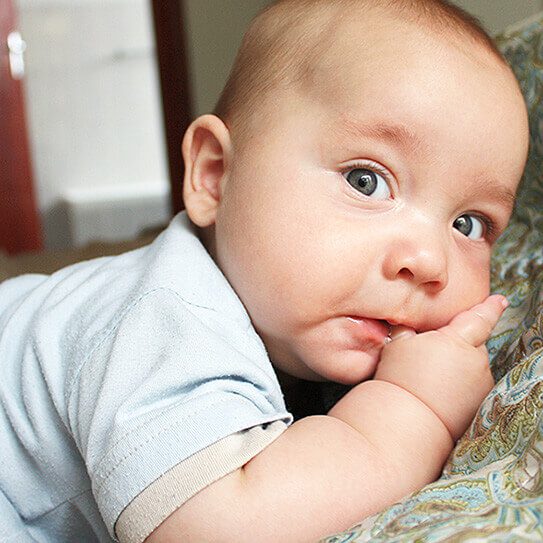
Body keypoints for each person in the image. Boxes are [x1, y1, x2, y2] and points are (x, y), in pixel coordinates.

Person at [0, 0, 530, 542]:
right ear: (214, 176)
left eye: (468, 224)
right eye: (366, 180)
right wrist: (413, 408)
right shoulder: (168, 320)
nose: (429, 261)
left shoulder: (293, 327)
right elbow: (218, 528)